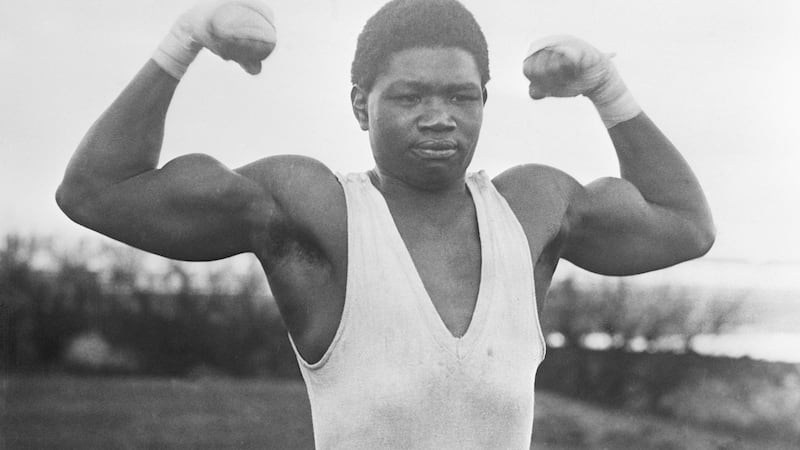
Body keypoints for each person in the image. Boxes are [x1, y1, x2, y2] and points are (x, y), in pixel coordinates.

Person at [56, 0, 715, 447]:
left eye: (460, 96)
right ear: (360, 106)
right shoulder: (315, 209)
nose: (438, 117)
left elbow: (685, 225)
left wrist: (605, 83)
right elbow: (98, 192)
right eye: (408, 96)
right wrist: (188, 38)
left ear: (484, 102)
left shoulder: (533, 210)